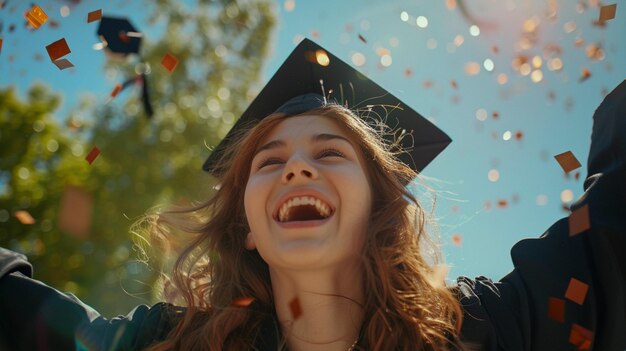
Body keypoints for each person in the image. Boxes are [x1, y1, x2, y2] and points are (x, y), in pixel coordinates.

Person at [0, 39, 624, 351]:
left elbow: (608, 243)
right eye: (268, 163)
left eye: (329, 152)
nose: (296, 168)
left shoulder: (480, 331)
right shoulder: (174, 343)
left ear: (379, 207)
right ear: (246, 224)